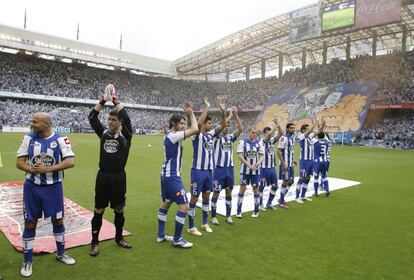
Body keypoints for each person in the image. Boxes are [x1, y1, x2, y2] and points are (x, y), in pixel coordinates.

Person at [16, 112, 76, 277]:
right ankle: (27, 261)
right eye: (32, 121)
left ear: (46, 124)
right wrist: (31, 169)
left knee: (57, 220)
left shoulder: (61, 140)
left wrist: (47, 169)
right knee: (30, 222)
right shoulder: (28, 138)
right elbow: (19, 162)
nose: (32, 124)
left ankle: (61, 253)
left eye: (35, 121)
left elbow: (70, 162)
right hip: (32, 188)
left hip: (53, 188)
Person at [88, 84, 133, 256]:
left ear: (120, 122)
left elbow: (127, 118)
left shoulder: (126, 136)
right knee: (99, 210)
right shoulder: (104, 133)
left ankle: (119, 238)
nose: (110, 122)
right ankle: (94, 242)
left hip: (119, 177)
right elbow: (92, 118)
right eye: (109, 119)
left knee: (119, 209)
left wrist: (115, 100)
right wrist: (103, 100)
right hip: (103, 176)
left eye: (113, 120)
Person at [157, 101, 199, 248]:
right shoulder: (173, 136)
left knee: (166, 203)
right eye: (181, 123)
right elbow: (195, 128)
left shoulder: (171, 135)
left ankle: (161, 235)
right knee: (184, 206)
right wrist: (191, 112)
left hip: (166, 175)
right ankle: (177, 239)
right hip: (172, 176)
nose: (183, 126)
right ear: (174, 124)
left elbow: (191, 129)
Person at [187, 97, 226, 236]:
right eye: (209, 123)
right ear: (204, 124)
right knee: (194, 198)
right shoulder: (196, 135)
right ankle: (191, 226)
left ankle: (204, 223)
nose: (211, 125)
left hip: (209, 172)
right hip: (197, 171)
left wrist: (223, 111)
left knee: (206, 197)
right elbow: (197, 124)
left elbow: (223, 124)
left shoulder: (211, 135)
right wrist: (207, 107)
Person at [210, 107, 243, 225]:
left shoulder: (230, 138)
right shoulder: (215, 138)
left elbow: (240, 129)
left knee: (229, 192)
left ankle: (228, 216)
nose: (227, 127)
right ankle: (213, 216)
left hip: (230, 169)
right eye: (226, 125)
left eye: (229, 126)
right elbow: (222, 124)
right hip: (219, 169)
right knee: (216, 193)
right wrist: (227, 116)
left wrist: (236, 116)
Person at [236, 127, 265, 218]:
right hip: (244, 170)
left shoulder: (259, 143)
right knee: (242, 188)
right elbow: (240, 156)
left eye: (256, 133)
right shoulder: (242, 142)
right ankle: (239, 211)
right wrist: (249, 165)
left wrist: (258, 163)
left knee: (256, 189)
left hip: (255, 171)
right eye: (253, 132)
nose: (254, 134)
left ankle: (256, 211)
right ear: (249, 132)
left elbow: (262, 155)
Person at [259, 117, 282, 211]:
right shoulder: (262, 142)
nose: (270, 135)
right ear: (264, 134)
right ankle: (260, 204)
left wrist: (278, 124)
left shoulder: (272, 141)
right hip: (264, 168)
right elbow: (269, 135)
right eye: (268, 133)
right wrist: (275, 126)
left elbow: (281, 134)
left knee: (275, 186)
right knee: (262, 187)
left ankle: (269, 203)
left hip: (272, 167)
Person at [295, 119, 320, 204]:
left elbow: (319, 132)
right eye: (307, 129)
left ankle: (303, 195)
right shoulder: (301, 136)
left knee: (308, 178)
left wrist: (323, 125)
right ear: (303, 130)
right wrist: (314, 123)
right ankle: (297, 197)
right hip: (304, 161)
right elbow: (310, 132)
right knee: (301, 178)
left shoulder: (310, 137)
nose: (309, 130)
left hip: (311, 161)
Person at [276, 123, 297, 209]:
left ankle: (281, 198)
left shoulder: (291, 138)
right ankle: (281, 201)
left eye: (294, 128)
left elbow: (290, 151)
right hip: (285, 164)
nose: (293, 129)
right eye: (291, 128)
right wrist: (284, 163)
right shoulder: (283, 138)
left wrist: (293, 160)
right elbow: (278, 151)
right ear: (287, 129)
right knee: (285, 181)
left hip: (290, 164)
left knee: (291, 181)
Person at [312, 132, 331, 197]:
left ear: (317, 136)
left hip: (317, 162)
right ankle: (327, 190)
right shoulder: (327, 142)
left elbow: (311, 136)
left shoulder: (315, 142)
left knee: (316, 177)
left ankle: (316, 192)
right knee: (324, 176)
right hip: (325, 161)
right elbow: (326, 138)